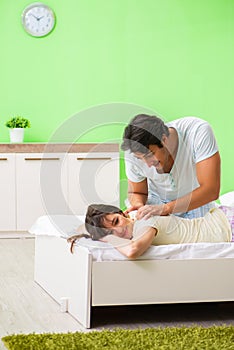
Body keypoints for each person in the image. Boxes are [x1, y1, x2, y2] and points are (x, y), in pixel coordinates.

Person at [121, 114, 221, 220]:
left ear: (164, 139)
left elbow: (211, 190)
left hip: (196, 202)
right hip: (156, 202)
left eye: (149, 155)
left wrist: (166, 208)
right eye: (140, 158)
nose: (148, 164)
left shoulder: (197, 132)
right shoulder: (133, 153)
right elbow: (137, 192)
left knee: (203, 232)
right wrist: (139, 205)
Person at [68, 204, 234, 259]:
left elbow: (133, 251)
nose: (119, 230)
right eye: (111, 232)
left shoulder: (145, 221)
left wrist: (108, 238)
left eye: (116, 221)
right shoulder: (136, 218)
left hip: (226, 225)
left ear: (123, 213)